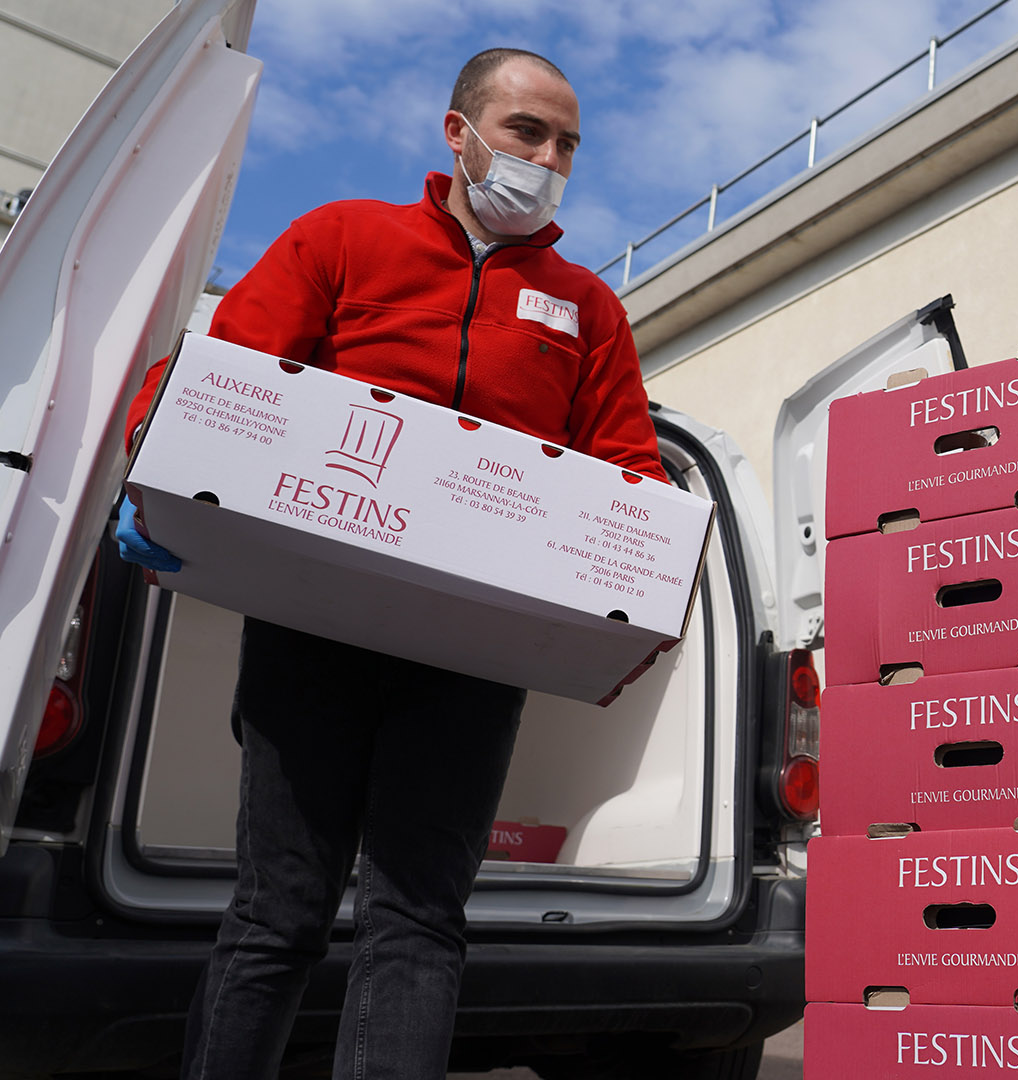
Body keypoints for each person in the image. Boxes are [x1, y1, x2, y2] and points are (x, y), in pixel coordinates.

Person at [114, 48, 668, 1078]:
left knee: (418, 919)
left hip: (469, 655)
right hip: (312, 624)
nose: (548, 159)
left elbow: (629, 476)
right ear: (457, 135)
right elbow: (225, 377)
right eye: (526, 133)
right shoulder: (343, 238)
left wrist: (628, 605)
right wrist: (153, 477)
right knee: (279, 911)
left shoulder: (587, 310)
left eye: (567, 146)